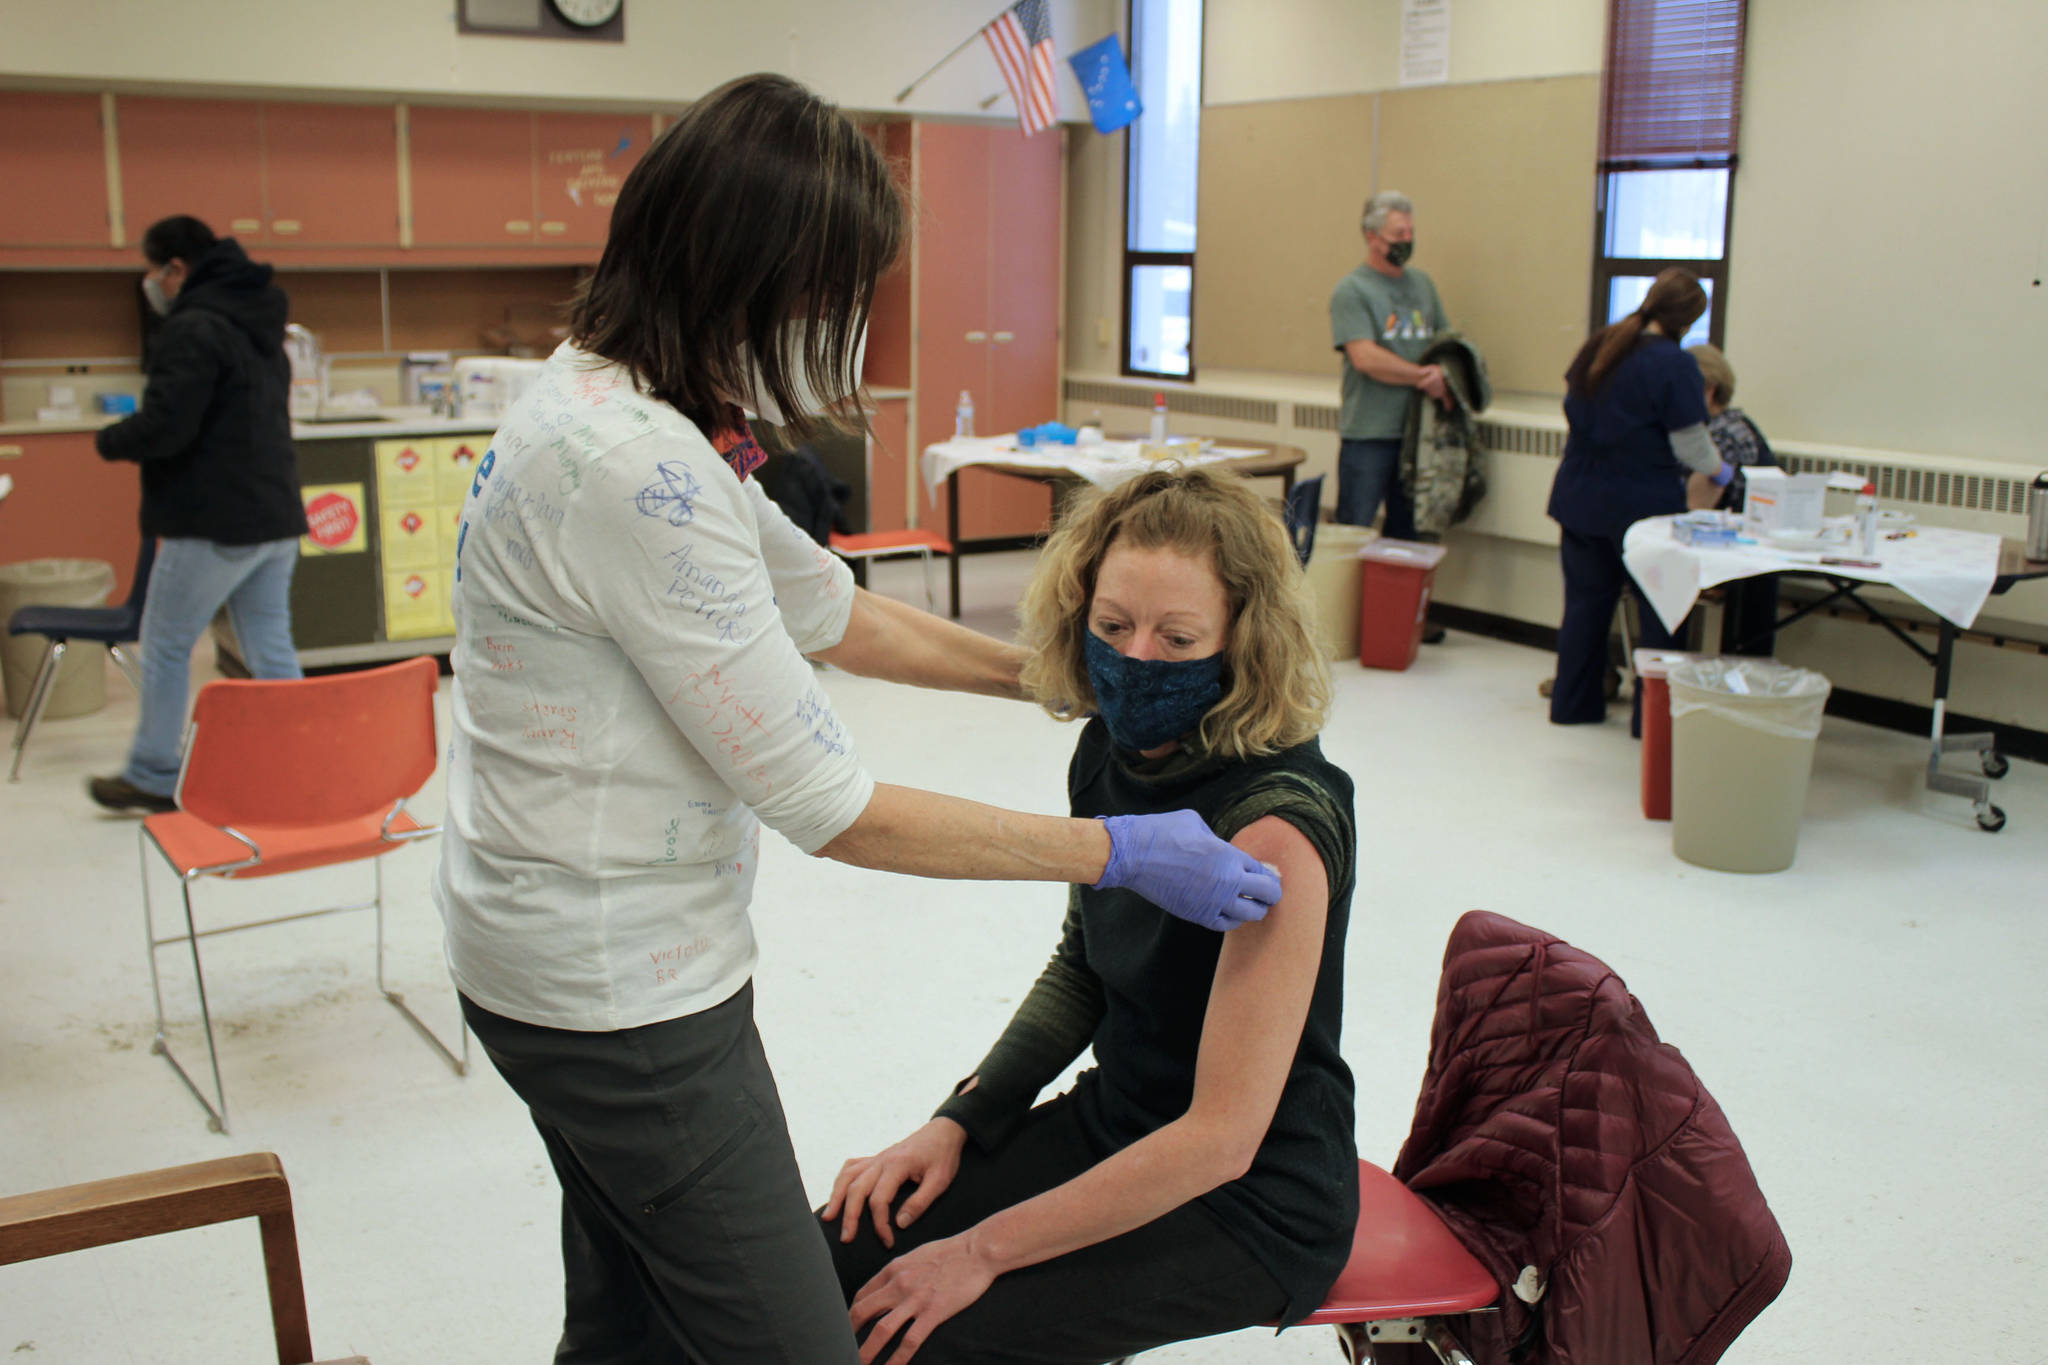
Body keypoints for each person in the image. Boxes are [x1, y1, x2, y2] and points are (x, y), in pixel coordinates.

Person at [435, 75, 1281, 1365]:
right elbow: (832, 808)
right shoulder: (634, 470)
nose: (835, 333)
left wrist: (1038, 676)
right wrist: (1119, 850)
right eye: (829, 301)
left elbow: (828, 607)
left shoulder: (611, 402)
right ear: (747, 278)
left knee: (633, 1310)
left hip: (542, 944)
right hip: (614, 991)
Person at [821, 467, 1357, 1365]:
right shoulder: (1109, 747)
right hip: (1122, 1120)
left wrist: (980, 1248)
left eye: (1176, 635)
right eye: (1112, 626)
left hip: (1251, 1199)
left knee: (927, 1335)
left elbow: (1219, 1140)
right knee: (835, 1255)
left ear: (1242, 641)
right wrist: (963, 1119)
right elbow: (1085, 966)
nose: (1135, 658)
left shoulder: (1277, 825)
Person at [87, 216, 306, 813]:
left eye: (153, 270)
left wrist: (110, 440)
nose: (150, 283)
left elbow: (168, 426)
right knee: (270, 646)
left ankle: (154, 772)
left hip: (213, 521)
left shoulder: (193, 328)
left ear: (175, 268)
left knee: (164, 644)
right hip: (274, 514)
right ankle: (306, 761)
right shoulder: (259, 320)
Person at [1546, 268, 1733, 725]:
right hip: (1642, 509)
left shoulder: (1602, 345)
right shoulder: (1675, 364)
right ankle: (1651, 722)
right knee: (1660, 619)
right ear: (1688, 321)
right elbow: (1691, 444)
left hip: (1581, 496)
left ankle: (1573, 706)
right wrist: (1722, 471)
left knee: (1585, 612)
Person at [1330, 190, 1449, 642]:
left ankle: (1402, 620)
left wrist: (1445, 373)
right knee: (1356, 528)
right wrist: (1421, 376)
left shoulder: (1422, 285)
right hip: (1369, 432)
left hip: (1417, 435)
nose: (1407, 240)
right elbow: (1366, 358)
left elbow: (1443, 341)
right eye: (1398, 233)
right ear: (1371, 236)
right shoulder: (1352, 290)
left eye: (1411, 232)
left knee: (1410, 535)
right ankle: (1345, 623)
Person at [1690, 343, 1780, 654]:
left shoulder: (1722, 435)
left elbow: (1696, 504)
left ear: (1709, 391)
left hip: (1739, 556)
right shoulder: (1734, 424)